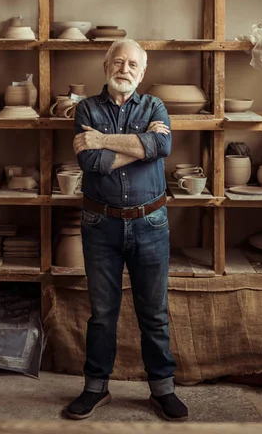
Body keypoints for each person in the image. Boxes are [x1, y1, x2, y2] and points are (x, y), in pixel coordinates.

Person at [66, 39, 188, 422]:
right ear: (105, 67)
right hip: (99, 223)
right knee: (102, 312)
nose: (125, 69)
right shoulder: (86, 107)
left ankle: (162, 390)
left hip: (150, 222)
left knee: (154, 311)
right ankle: (95, 387)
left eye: (133, 64)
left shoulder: (155, 106)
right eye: (117, 62)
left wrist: (103, 139)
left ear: (143, 71)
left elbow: (162, 146)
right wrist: (140, 146)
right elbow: (90, 161)